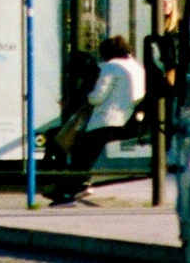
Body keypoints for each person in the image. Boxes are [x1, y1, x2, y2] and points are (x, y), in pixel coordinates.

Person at [52, 34, 146, 205]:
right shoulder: (137, 67)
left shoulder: (110, 68)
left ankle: (73, 189)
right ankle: (77, 185)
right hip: (128, 119)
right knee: (85, 150)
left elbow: (97, 98)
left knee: (79, 148)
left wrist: (87, 95)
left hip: (108, 120)